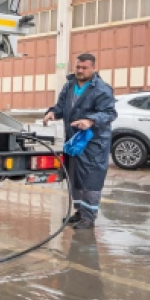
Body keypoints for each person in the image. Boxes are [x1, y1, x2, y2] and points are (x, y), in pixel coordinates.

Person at [42, 53, 117, 229]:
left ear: (93, 68)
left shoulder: (102, 89)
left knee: (90, 180)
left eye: (84, 68)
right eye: (78, 67)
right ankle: (79, 212)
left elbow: (109, 113)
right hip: (74, 141)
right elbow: (60, 107)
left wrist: (90, 120)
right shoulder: (69, 86)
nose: (80, 71)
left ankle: (89, 218)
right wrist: (53, 112)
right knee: (75, 177)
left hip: (93, 143)